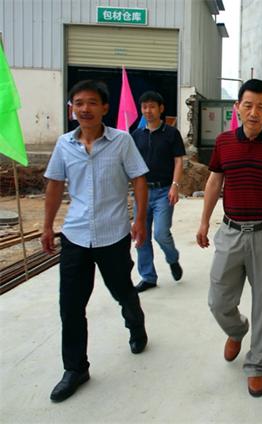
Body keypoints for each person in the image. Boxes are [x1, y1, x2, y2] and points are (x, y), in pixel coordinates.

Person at [42, 80, 149, 403]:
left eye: (91, 102)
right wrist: (47, 226)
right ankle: (75, 369)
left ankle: (135, 322)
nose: (84, 109)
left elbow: (138, 179)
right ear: (71, 109)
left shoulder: (121, 141)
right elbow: (54, 185)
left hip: (113, 235)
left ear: (105, 108)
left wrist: (139, 220)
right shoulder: (64, 145)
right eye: (78, 103)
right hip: (75, 236)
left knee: (122, 291)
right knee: (71, 306)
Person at [196, 79, 262, 397]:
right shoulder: (224, 142)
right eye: (248, 105)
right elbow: (215, 182)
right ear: (237, 107)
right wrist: (204, 222)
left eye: (261, 107)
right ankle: (237, 329)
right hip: (230, 231)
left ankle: (257, 365)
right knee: (218, 300)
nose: (254, 112)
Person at [131, 91, 186, 292]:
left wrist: (175, 185)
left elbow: (178, 161)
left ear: (161, 109)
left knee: (161, 233)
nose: (148, 111)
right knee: (141, 237)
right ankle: (148, 277)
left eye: (152, 106)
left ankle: (172, 258)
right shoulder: (136, 135)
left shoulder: (171, 133)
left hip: (164, 192)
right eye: (144, 107)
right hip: (141, 193)